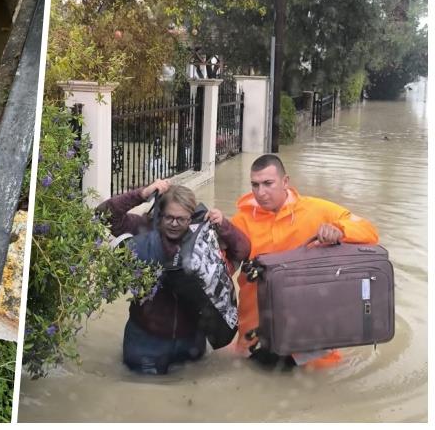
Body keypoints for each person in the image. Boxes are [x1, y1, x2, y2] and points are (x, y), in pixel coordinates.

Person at [230, 154, 379, 368]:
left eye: (268, 184)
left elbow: (369, 231)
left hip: (310, 341)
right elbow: (221, 266)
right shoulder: (240, 221)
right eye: (255, 185)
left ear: (285, 182)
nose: (261, 193)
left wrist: (339, 230)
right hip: (256, 338)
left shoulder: (317, 210)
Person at [97, 179, 250, 375]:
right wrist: (141, 194)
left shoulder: (205, 234)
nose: (175, 224)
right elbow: (104, 216)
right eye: (169, 218)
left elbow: (243, 250)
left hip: (191, 341)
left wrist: (224, 225)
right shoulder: (143, 228)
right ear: (160, 215)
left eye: (182, 219)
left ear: (191, 217)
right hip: (147, 342)